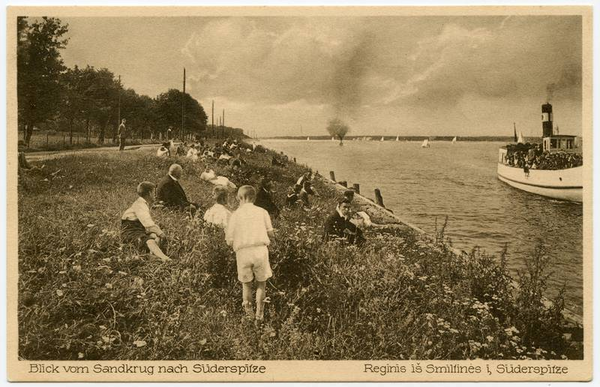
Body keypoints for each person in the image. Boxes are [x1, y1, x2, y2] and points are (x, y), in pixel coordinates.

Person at [225, 186, 275, 325]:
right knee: (261, 283)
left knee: (246, 285)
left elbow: (229, 240)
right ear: (254, 198)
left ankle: (249, 315)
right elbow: (271, 233)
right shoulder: (262, 212)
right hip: (260, 250)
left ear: (239, 198)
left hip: (243, 252)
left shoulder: (235, 215)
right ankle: (260, 316)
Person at [121, 182, 171, 262]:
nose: (155, 195)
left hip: (139, 229)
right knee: (150, 240)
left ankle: (152, 255)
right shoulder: (140, 205)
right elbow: (149, 225)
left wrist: (157, 232)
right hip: (130, 231)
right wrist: (161, 233)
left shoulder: (143, 203)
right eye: (154, 192)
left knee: (155, 236)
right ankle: (164, 258)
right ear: (149, 193)